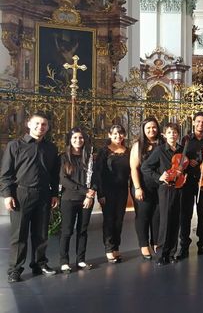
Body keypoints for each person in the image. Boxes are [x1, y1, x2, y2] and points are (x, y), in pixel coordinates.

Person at [1, 113, 59, 283]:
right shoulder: (15, 146)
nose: (40, 127)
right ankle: (15, 269)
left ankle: (39, 263)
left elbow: (54, 174)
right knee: (19, 235)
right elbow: (5, 174)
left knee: (41, 233)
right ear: (28, 124)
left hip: (43, 194)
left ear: (47, 128)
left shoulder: (51, 148)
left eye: (44, 124)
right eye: (37, 123)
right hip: (21, 194)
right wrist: (7, 195)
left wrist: (54, 193)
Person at [141, 123, 184, 266]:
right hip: (165, 189)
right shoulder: (159, 150)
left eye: (175, 132)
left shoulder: (182, 150)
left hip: (179, 188)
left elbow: (185, 167)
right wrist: (159, 177)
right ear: (165, 135)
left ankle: (171, 253)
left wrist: (186, 175)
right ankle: (161, 254)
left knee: (175, 221)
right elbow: (145, 167)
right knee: (165, 221)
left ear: (178, 135)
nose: (173, 135)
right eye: (170, 132)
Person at [58, 128, 97, 273]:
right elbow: (63, 180)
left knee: (83, 230)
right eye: (75, 138)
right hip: (69, 199)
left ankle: (80, 260)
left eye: (81, 138)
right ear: (69, 139)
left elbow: (95, 178)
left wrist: (90, 195)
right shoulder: (63, 157)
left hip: (86, 200)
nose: (78, 140)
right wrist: (85, 191)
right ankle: (64, 261)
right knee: (67, 231)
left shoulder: (90, 158)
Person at [178, 111, 203, 259]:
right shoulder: (186, 139)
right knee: (185, 214)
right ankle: (184, 247)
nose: (201, 124)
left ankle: (202, 245)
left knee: (202, 213)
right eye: (198, 122)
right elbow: (179, 157)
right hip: (187, 182)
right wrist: (188, 161)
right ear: (194, 123)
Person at [130, 117, 164, 260]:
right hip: (142, 186)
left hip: (160, 187)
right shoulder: (138, 145)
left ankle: (156, 242)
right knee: (143, 216)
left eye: (154, 127)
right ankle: (144, 245)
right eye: (148, 128)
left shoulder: (163, 143)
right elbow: (134, 168)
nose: (151, 130)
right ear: (143, 130)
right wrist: (137, 187)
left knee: (157, 216)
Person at [96, 124, 130, 263]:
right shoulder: (104, 151)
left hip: (122, 190)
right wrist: (100, 194)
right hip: (107, 191)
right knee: (109, 220)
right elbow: (98, 173)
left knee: (119, 220)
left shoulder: (128, 151)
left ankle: (116, 247)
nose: (118, 136)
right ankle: (109, 249)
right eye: (115, 134)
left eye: (121, 133)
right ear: (109, 135)